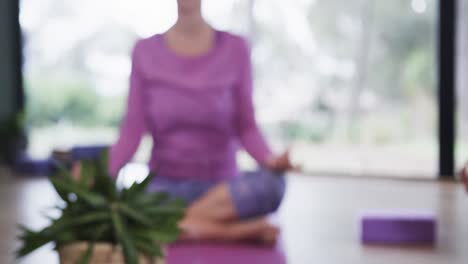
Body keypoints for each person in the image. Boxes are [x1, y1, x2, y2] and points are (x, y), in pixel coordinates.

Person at [108, 0, 295, 245]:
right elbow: (131, 134)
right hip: (164, 189)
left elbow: (247, 127)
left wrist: (271, 160)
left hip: (224, 191)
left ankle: (176, 225)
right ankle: (234, 231)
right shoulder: (144, 51)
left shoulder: (236, 48)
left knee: (273, 184)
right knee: (119, 206)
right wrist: (100, 175)